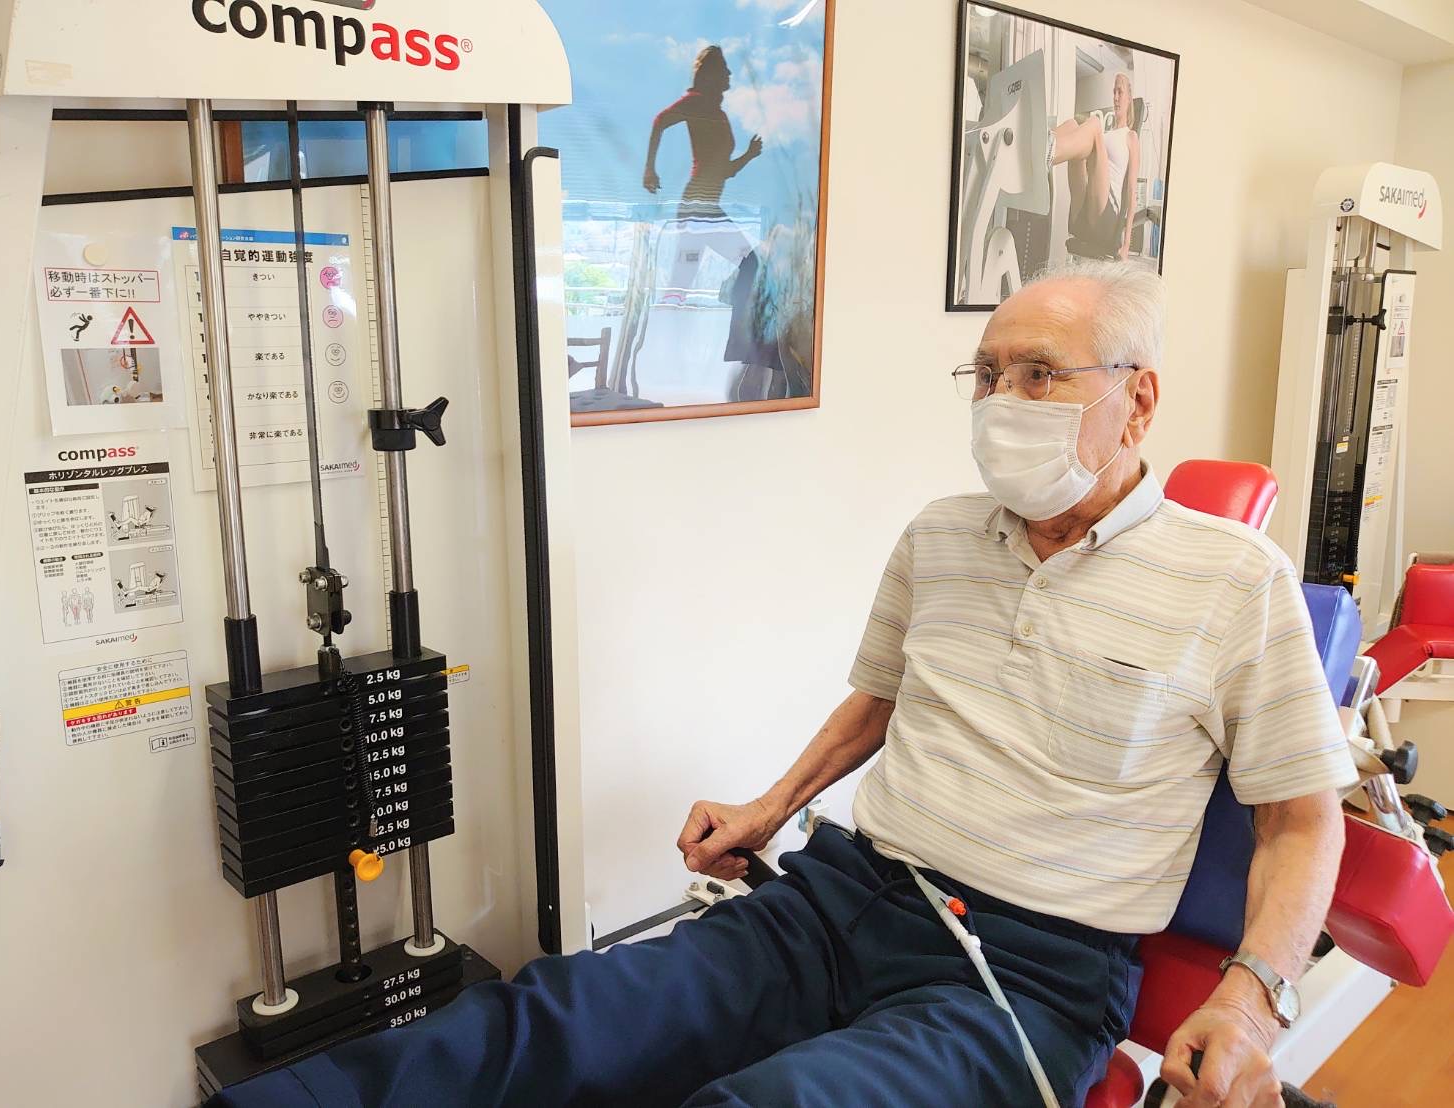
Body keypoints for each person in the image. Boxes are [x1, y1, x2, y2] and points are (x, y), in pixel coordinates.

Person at [209, 262, 1352, 1108]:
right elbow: (879, 700)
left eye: (1038, 373)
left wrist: (1252, 996)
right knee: (557, 1019)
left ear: (1137, 400)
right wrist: (768, 807)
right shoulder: (942, 534)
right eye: (986, 372)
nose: (1000, 396)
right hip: (844, 895)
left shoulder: (1232, 580)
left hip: (1024, 975)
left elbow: (1300, 820)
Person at [643, 45, 763, 303]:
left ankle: (723, 307)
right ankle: (732, 307)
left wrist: (749, 155)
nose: (729, 73)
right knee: (747, 263)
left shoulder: (718, 115)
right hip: (698, 207)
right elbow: (660, 121)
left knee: (683, 281)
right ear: (712, 74)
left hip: (704, 207)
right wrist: (649, 169)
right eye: (724, 69)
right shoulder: (697, 102)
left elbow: (724, 171)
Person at [1051, 73, 1141, 260]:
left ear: (1129, 98)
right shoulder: (1105, 135)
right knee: (1072, 124)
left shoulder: (1130, 136)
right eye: (1114, 92)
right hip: (1085, 208)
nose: (1115, 97)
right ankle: (1044, 146)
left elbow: (1132, 192)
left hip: (1106, 215)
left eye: (1120, 92)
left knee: (1093, 123)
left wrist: (1126, 245)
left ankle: (1050, 150)